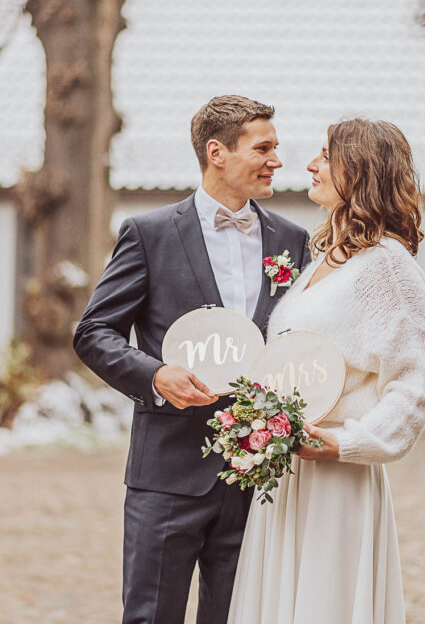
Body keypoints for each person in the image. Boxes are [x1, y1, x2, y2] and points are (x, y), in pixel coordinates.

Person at [73, 95, 311, 624]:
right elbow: (94, 332)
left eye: (277, 148)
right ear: (216, 152)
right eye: (263, 148)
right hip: (167, 473)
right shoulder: (149, 234)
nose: (276, 160)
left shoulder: (293, 243)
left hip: (257, 479)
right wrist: (154, 374)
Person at [228, 118, 425, 624]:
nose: (310, 164)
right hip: (290, 472)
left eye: (326, 155)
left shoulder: (388, 266)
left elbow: (415, 387)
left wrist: (346, 443)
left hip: (336, 476)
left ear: (360, 170)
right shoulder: (326, 257)